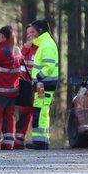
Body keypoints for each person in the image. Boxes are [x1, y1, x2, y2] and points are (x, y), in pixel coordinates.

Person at [0, 25, 25, 150]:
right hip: (13, 90)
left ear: (2, 36)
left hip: (1, 90)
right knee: (10, 116)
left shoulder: (1, 53)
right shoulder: (17, 50)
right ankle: (9, 142)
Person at [27, 19, 59, 150]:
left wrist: (38, 77)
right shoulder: (45, 44)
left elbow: (49, 67)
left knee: (40, 113)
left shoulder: (47, 45)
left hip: (44, 84)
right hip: (43, 85)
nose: (31, 34)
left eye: (33, 31)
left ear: (40, 31)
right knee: (41, 113)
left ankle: (40, 143)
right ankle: (40, 141)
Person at [14, 24, 38, 149]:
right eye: (28, 33)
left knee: (36, 114)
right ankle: (19, 139)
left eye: (32, 32)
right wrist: (24, 49)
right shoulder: (26, 49)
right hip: (25, 86)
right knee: (24, 113)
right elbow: (18, 61)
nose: (29, 35)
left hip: (38, 86)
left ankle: (39, 140)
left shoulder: (40, 49)